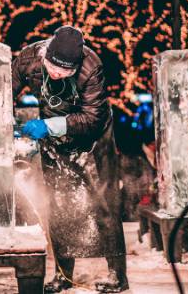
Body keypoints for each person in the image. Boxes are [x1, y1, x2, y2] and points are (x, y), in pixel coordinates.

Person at [12, 26, 128, 293]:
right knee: (58, 203)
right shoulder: (30, 57)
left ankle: (117, 275)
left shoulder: (91, 66)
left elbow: (92, 117)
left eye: (64, 72)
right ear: (46, 55)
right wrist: (4, 113)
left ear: (76, 67)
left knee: (103, 202)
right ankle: (63, 275)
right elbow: (6, 85)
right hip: (55, 141)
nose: (56, 74)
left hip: (93, 139)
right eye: (52, 67)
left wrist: (49, 126)